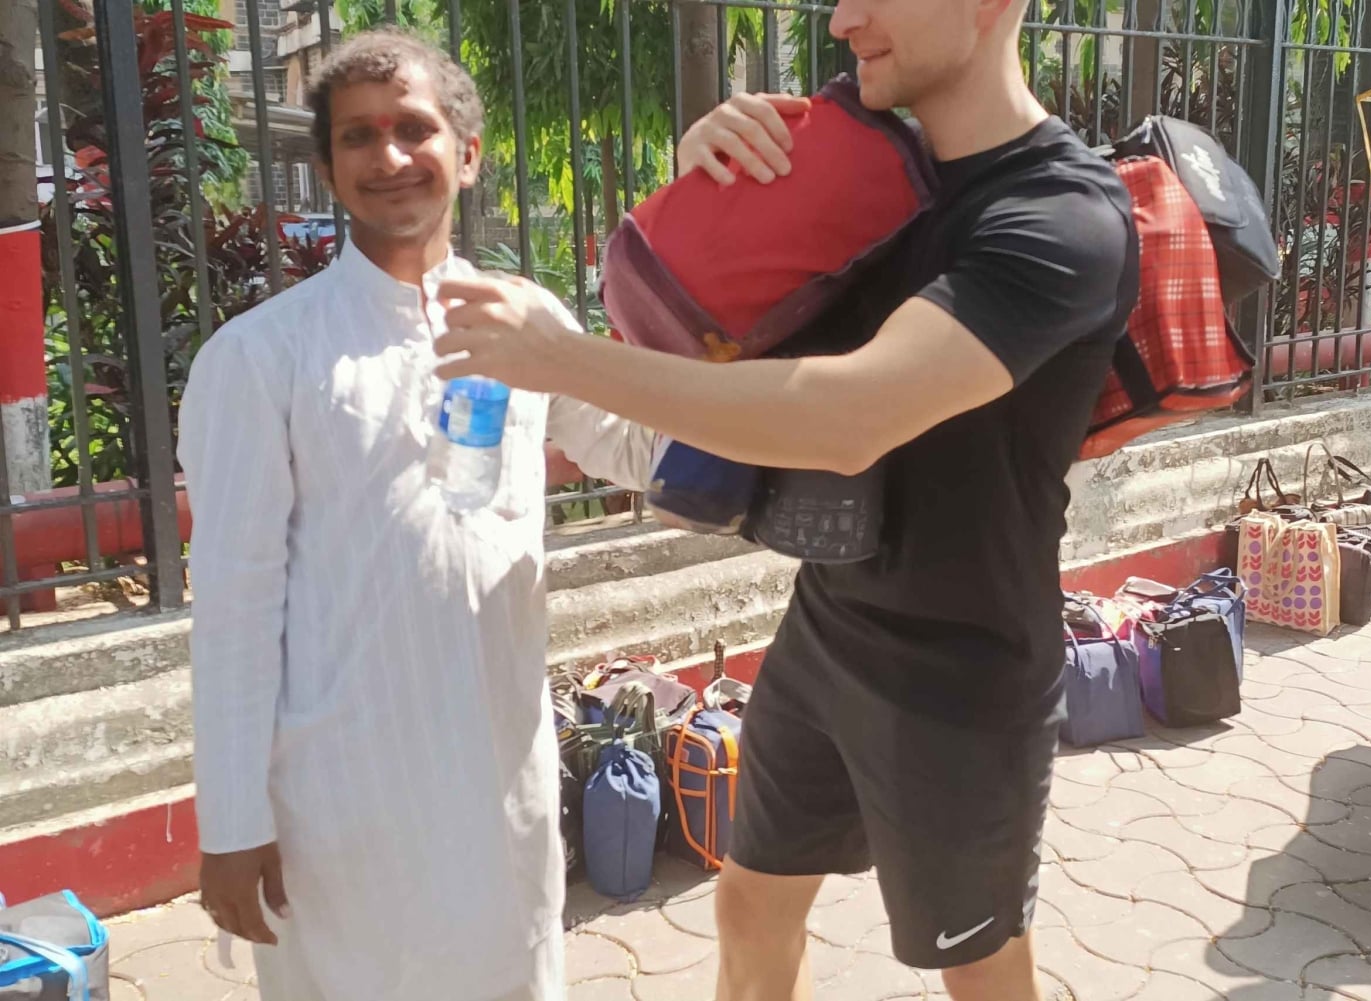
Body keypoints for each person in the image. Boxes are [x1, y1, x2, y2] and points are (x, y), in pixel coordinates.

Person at [433, 1, 1140, 998]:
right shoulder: (867, 164)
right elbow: (711, 328)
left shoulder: (1061, 220)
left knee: (980, 970)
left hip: (964, 663)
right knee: (751, 902)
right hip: (832, 618)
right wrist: (707, 180)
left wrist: (558, 361)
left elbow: (846, 416)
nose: (843, 19)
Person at [177, 28, 652, 1001]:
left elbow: (638, 452)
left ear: (468, 154)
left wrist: (758, 363)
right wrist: (231, 822)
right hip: (338, 806)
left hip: (500, 788)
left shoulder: (529, 321)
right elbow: (231, 601)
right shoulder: (264, 356)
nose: (388, 157)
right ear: (327, 166)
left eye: (413, 128)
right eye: (358, 136)